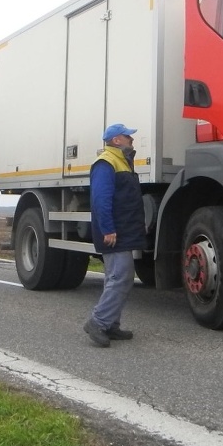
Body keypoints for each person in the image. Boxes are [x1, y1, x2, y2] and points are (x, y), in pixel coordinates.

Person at [83, 123, 146, 347]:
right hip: (115, 232)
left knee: (115, 278)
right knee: (122, 277)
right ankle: (98, 322)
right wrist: (108, 229)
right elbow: (101, 199)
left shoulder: (122, 161)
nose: (132, 139)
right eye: (128, 136)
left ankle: (111, 325)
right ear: (116, 140)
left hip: (123, 230)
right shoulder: (106, 163)